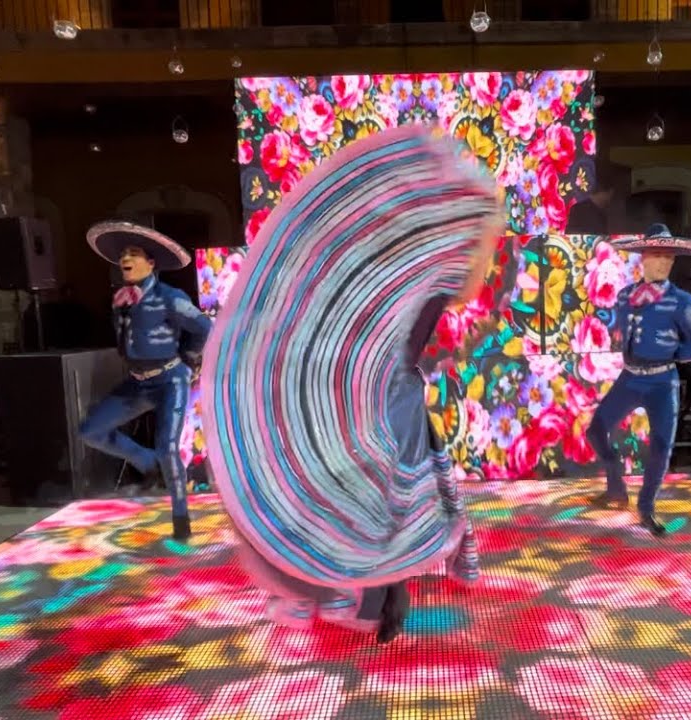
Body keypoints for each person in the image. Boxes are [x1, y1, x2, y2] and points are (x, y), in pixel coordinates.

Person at [200, 125, 502, 642]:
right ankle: (379, 601)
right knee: (371, 504)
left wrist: (479, 221)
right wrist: (480, 217)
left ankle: (383, 601)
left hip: (393, 400)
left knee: (384, 505)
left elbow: (456, 295)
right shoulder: (405, 274)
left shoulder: (423, 274)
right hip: (377, 400)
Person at [79, 221, 210, 540]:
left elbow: (203, 327)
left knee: (168, 447)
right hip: (137, 383)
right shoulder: (121, 298)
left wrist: (191, 358)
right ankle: (145, 460)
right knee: (90, 431)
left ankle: (181, 519)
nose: (126, 257)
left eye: (134, 253)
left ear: (151, 263)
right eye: (123, 253)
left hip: (169, 381)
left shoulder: (170, 297)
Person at [585, 223, 691, 536]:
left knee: (661, 446)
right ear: (642, 259)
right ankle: (616, 487)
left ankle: (646, 508)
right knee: (596, 430)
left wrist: (674, 354)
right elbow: (622, 328)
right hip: (630, 378)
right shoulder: (626, 295)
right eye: (657, 256)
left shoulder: (681, 301)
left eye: (668, 258)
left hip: (661, 382)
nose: (664, 262)